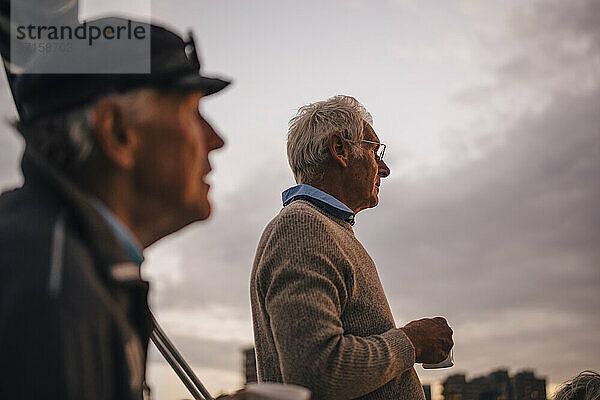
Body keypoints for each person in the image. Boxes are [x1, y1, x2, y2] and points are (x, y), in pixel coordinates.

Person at [0, 15, 233, 400]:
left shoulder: (67, 257)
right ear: (117, 132)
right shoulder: (51, 290)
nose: (216, 139)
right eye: (193, 113)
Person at [250, 95, 454, 400]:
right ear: (340, 150)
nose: (384, 169)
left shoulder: (324, 228)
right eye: (375, 151)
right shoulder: (303, 227)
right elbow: (317, 373)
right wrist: (412, 342)